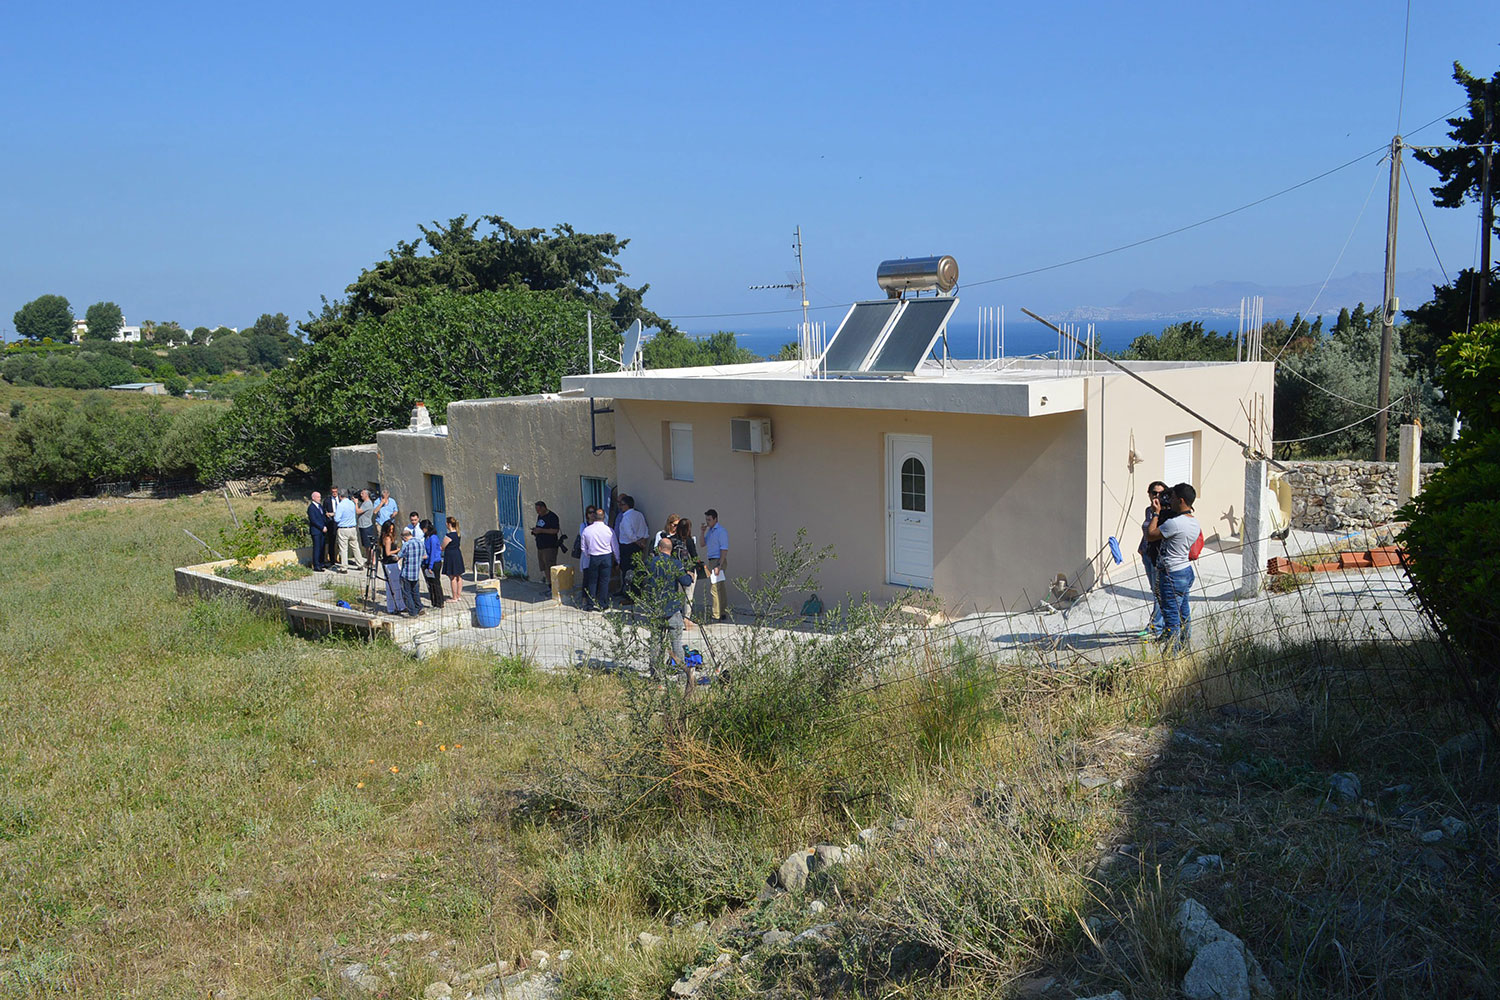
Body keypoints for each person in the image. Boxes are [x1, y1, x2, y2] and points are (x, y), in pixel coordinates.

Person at [1146, 483, 1200, 649]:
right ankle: (1184, 648)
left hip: (1171, 574)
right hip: (1185, 571)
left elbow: (1150, 535)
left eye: (1173, 498)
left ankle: (1171, 657)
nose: (1171, 501)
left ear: (1181, 500)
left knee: (1172, 620)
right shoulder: (1194, 523)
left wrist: (1156, 514)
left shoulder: (1175, 523)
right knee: (1184, 615)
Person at [644, 536, 696, 685]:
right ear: (670, 550)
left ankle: (655, 674)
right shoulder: (675, 564)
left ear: (659, 549)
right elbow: (685, 582)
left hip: (656, 608)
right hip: (672, 608)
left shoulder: (651, 563)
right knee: (676, 643)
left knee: (656, 643)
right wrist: (689, 575)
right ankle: (681, 675)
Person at [1137, 481, 1168, 637]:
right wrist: (1141, 547)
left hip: (1158, 556)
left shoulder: (1164, 512)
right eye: (1153, 493)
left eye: (1160, 493)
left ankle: (1156, 626)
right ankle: (1161, 623)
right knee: (1154, 591)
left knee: (1159, 591)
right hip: (1147, 554)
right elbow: (1147, 531)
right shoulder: (1148, 510)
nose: (1156, 496)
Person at [580, 509, 619, 611]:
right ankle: (602, 603)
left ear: (595, 517)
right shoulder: (609, 530)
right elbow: (615, 546)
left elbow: (583, 547)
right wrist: (617, 559)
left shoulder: (587, 530)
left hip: (594, 556)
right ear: (603, 517)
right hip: (606, 557)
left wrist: (588, 555)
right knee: (604, 581)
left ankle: (590, 604)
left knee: (592, 581)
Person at [614, 493, 649, 600]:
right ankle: (637, 593)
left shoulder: (626, 518)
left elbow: (629, 534)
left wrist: (637, 541)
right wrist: (642, 540)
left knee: (628, 571)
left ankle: (630, 595)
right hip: (637, 546)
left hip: (628, 547)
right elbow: (645, 529)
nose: (620, 506)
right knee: (637, 570)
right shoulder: (639, 515)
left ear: (627, 505)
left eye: (622, 504)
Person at [702, 508, 730, 622]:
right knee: (720, 587)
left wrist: (719, 564)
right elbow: (702, 544)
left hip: (718, 561)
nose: (708, 522)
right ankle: (722, 611)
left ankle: (716, 614)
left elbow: (724, 549)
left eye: (709, 520)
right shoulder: (710, 531)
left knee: (715, 588)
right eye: (706, 520)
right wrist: (702, 532)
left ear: (715, 519)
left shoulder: (721, 531)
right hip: (712, 560)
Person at [673, 515, 702, 625]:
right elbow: (694, 556)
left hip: (677, 570)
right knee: (688, 596)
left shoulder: (673, 540)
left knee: (678, 595)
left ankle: (677, 617)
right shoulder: (689, 541)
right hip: (689, 571)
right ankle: (687, 619)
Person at [379, 521, 407, 615]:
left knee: (394, 585)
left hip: (392, 562)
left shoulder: (388, 537)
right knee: (394, 586)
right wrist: (398, 550)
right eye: (390, 529)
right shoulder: (387, 538)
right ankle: (397, 606)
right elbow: (387, 553)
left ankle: (397, 606)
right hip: (390, 563)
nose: (391, 531)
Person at [398, 526, 426, 617]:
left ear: (404, 537)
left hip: (406, 573)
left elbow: (399, 556)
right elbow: (424, 556)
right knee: (415, 592)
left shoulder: (406, 545)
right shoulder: (420, 543)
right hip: (416, 573)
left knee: (407, 593)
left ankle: (412, 612)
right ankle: (419, 608)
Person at [531, 501, 561, 583]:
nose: (538, 512)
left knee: (550, 566)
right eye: (536, 510)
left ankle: (553, 585)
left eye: (539, 510)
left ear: (544, 507)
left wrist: (541, 530)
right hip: (540, 545)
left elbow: (555, 530)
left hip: (549, 546)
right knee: (544, 566)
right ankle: (549, 584)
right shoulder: (540, 516)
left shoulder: (552, 517)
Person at [333, 488, 363, 572]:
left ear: (340, 496)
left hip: (343, 528)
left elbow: (337, 519)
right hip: (352, 527)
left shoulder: (340, 505)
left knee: (343, 548)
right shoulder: (351, 503)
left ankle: (344, 567)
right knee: (355, 547)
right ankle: (360, 564)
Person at [421, 518, 446, 609]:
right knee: (430, 584)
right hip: (427, 562)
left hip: (434, 563)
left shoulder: (433, 538)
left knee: (436, 583)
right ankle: (434, 602)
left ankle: (439, 602)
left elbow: (433, 553)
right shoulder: (426, 538)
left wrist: (430, 566)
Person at [441, 516, 465, 603]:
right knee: (459, 576)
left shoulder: (449, 536)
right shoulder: (458, 534)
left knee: (453, 577)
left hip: (451, 556)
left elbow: (442, 547)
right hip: (457, 554)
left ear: (449, 524)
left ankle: (454, 597)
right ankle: (458, 595)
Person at [307, 492, 328, 572]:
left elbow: (323, 517)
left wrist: (325, 525)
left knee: (322, 547)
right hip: (316, 531)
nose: (320, 498)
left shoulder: (320, 506)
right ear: (313, 498)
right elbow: (313, 520)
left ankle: (321, 563)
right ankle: (316, 565)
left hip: (322, 530)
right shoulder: (311, 508)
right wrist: (321, 527)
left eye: (320, 497)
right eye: (318, 497)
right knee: (317, 547)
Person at [355, 489, 377, 560]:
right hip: (362, 526)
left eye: (362, 493)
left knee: (369, 545)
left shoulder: (368, 503)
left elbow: (358, 511)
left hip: (366, 527)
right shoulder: (364, 503)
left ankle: (373, 561)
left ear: (366, 495)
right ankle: (368, 560)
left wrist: (356, 503)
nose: (361, 495)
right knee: (366, 545)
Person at [322, 488, 340, 568]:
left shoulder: (341, 499)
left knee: (342, 542)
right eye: (333, 492)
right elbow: (324, 511)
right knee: (331, 542)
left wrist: (334, 514)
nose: (334, 493)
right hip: (331, 523)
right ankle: (332, 560)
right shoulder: (327, 500)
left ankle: (343, 559)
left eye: (336, 492)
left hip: (341, 523)